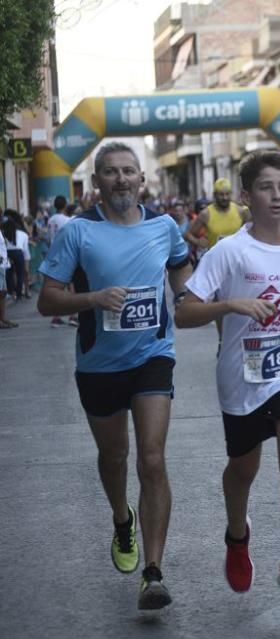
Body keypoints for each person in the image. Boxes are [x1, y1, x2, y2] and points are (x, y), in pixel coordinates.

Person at [36, 142, 192, 611]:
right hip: (99, 365)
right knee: (114, 455)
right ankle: (122, 520)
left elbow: (182, 269)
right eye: (111, 173)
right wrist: (93, 298)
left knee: (152, 458)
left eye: (129, 171)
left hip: (152, 357)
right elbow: (47, 300)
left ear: (141, 179)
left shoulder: (164, 226)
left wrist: (188, 298)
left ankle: (154, 572)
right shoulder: (78, 232)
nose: (121, 179)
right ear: (97, 182)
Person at [175, 150, 280, 603]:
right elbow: (184, 312)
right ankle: (237, 536)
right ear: (247, 196)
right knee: (244, 467)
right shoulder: (228, 252)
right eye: (267, 187)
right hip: (242, 374)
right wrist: (230, 305)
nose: (278, 196)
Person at [184, 178, 252, 343]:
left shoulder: (241, 211)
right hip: (218, 265)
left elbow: (252, 229)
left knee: (243, 300)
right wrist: (197, 241)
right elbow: (188, 233)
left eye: (227, 194)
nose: (224, 198)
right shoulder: (206, 213)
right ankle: (223, 340)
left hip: (240, 263)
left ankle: (243, 338)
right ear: (214, 195)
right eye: (220, 195)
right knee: (221, 304)